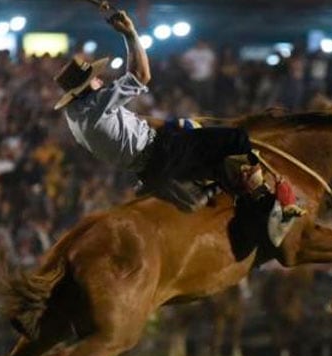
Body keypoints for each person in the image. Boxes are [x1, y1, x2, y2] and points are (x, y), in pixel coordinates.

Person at [53, 9, 304, 216]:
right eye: (95, 79)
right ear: (88, 87)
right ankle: (268, 203)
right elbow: (141, 76)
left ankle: (213, 190)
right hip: (163, 152)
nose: (100, 80)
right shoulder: (96, 104)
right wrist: (130, 34)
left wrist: (171, 124)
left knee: (197, 139)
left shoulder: (76, 115)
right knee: (236, 138)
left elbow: (132, 119)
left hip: (146, 166)